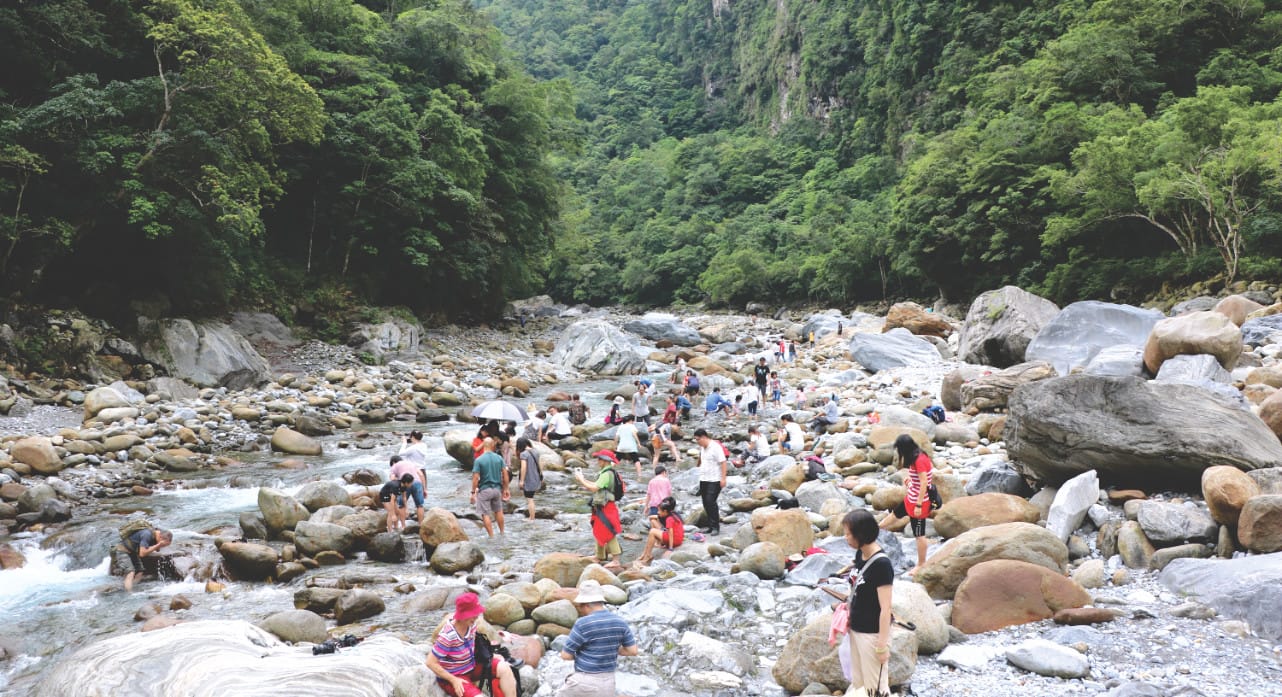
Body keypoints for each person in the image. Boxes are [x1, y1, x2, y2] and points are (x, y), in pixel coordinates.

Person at [840, 509, 893, 696]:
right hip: (856, 629)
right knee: (860, 682)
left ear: (861, 534)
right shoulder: (860, 555)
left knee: (876, 689)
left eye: (848, 533)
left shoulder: (881, 565)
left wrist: (882, 645)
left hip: (872, 634)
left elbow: (886, 608)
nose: (845, 537)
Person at [426, 592, 518, 697]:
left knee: (505, 668)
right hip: (455, 675)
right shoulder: (447, 636)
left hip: (471, 667)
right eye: (473, 614)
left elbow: (473, 648)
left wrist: (492, 655)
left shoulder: (471, 625)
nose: (476, 617)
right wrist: (453, 680)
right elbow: (430, 662)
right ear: (462, 615)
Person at [557, 580, 638, 697]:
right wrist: (613, 648)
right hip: (608, 684)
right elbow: (633, 651)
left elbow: (565, 655)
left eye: (580, 606)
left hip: (583, 682)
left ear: (585, 604)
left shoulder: (582, 623)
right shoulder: (620, 621)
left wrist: (584, 654)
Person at [878, 434, 934, 574]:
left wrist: (919, 505)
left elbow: (924, 483)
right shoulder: (917, 455)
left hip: (919, 502)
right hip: (911, 497)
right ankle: (877, 530)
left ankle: (921, 564)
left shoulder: (919, 460)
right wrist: (910, 482)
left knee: (919, 534)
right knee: (895, 515)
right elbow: (920, 478)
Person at [574, 451, 625, 570]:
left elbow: (594, 488)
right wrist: (583, 479)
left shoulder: (606, 474)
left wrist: (581, 480)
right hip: (603, 506)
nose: (598, 461)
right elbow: (596, 484)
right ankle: (599, 556)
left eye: (599, 459)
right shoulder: (606, 473)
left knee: (609, 531)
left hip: (606, 507)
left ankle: (616, 560)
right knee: (599, 529)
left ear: (606, 460)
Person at [470, 438, 510, 537]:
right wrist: (506, 489)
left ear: (484, 445)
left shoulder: (479, 460)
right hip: (497, 490)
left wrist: (473, 492)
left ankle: (491, 536)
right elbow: (505, 474)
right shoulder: (499, 458)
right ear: (493, 445)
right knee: (498, 511)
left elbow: (475, 478)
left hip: (484, 490)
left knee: (485, 514)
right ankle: (502, 533)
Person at [118, 523, 172, 592]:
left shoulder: (157, 534)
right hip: (122, 550)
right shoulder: (147, 535)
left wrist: (158, 546)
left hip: (133, 552)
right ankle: (129, 595)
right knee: (130, 572)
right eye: (164, 545)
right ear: (160, 537)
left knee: (140, 572)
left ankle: (130, 587)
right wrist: (158, 545)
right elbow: (142, 554)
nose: (163, 547)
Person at [694, 428, 727, 536]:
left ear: (704, 437)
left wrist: (723, 478)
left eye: (698, 439)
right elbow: (701, 459)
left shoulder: (715, 447)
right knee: (705, 502)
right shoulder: (703, 448)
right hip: (704, 478)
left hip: (715, 479)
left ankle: (715, 527)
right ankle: (710, 525)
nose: (697, 442)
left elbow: (723, 462)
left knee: (710, 501)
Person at [634, 497, 684, 566]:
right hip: (678, 539)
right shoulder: (672, 514)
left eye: (659, 511)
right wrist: (653, 517)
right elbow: (654, 517)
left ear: (665, 511)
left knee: (652, 531)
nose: (658, 512)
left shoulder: (669, 519)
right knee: (653, 524)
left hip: (675, 540)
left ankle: (647, 555)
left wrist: (670, 549)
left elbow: (671, 533)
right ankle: (644, 554)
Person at [390, 454, 427, 526]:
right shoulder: (410, 463)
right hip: (417, 482)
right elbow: (421, 474)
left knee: (401, 505)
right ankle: (421, 525)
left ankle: (403, 526)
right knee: (420, 505)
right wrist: (424, 489)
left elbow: (392, 478)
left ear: (393, 462)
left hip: (405, 484)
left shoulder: (394, 466)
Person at [516, 436, 543, 521]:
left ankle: (531, 518)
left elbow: (523, 468)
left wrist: (521, 481)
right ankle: (532, 517)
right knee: (531, 498)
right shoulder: (535, 451)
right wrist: (540, 475)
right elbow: (539, 464)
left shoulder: (523, 454)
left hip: (529, 479)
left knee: (529, 499)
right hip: (536, 478)